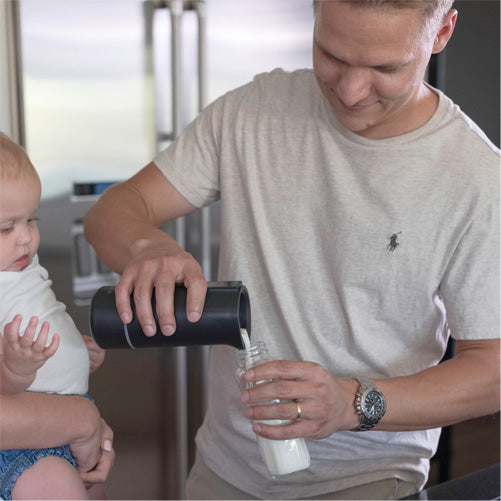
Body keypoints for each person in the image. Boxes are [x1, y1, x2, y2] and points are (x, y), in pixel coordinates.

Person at [83, 0, 500, 499]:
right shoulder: (253, 110)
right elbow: (113, 210)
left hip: (364, 477)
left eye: (385, 68)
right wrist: (146, 244)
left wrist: (353, 402)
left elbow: (491, 371)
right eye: (332, 55)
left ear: (442, 32)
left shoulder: (476, 179)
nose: (349, 91)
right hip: (223, 469)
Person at [0, 132, 115, 500]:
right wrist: (17, 368)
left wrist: (72, 353)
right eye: (5, 228)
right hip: (25, 448)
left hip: (58, 422)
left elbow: (39, 314)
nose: (25, 239)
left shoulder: (19, 266)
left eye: (30, 220)